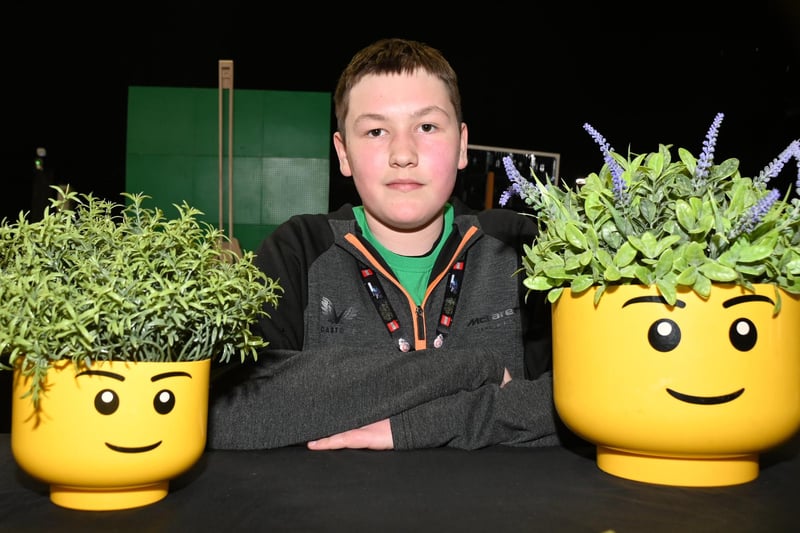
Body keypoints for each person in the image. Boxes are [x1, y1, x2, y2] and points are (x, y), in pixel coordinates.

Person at [207, 37, 563, 450]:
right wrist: (472, 368)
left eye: (426, 127)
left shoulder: (523, 248)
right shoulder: (300, 250)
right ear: (344, 153)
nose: (403, 153)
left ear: (462, 145)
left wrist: (430, 424)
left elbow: (596, 399)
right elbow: (226, 409)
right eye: (376, 131)